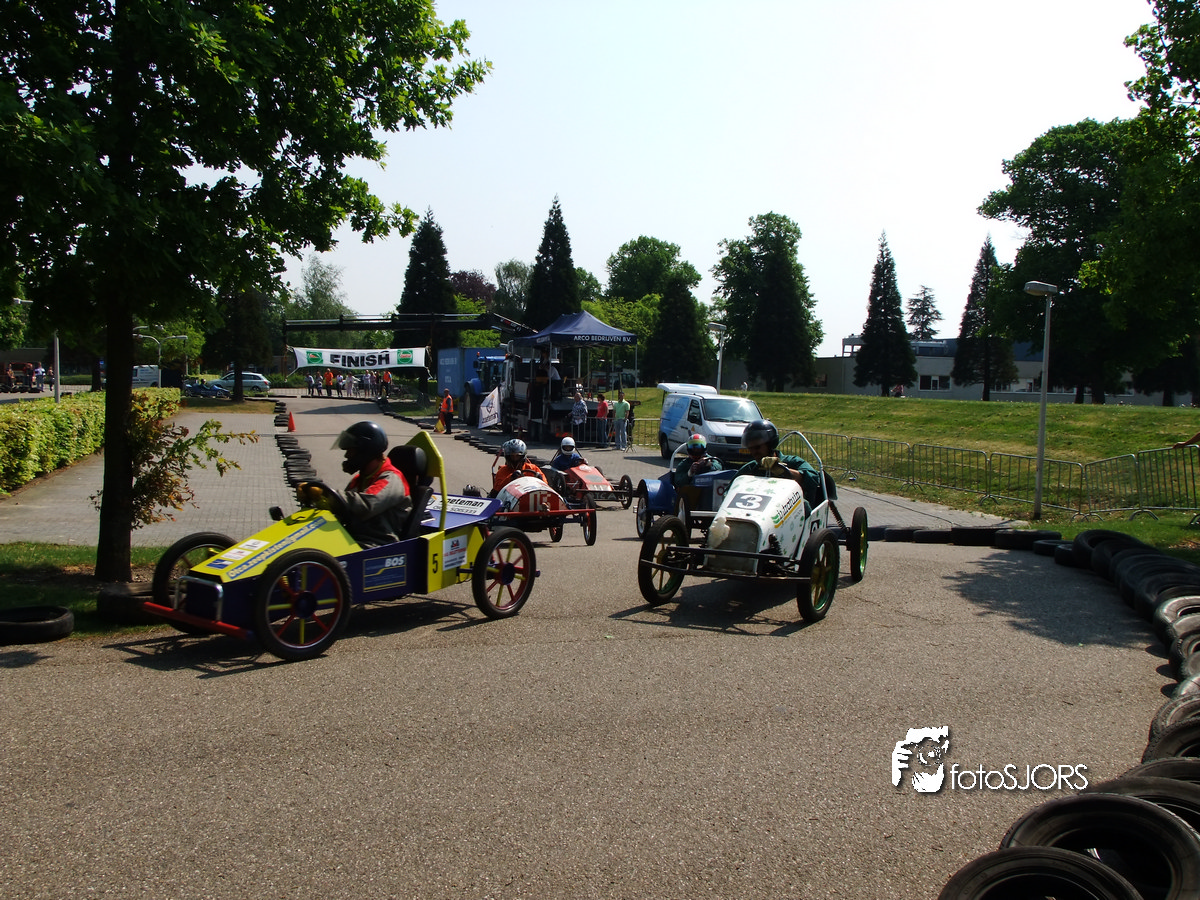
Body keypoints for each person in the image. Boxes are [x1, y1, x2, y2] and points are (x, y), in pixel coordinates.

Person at [297, 421, 411, 548]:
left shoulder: (391, 479)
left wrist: (324, 494)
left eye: (350, 451)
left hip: (377, 544)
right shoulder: (359, 479)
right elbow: (343, 507)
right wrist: (317, 499)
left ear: (365, 450)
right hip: (354, 536)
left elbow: (366, 505)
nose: (346, 455)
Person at [735, 418, 822, 505]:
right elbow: (732, 487)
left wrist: (781, 469)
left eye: (757, 447)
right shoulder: (750, 468)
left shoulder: (793, 462)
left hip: (788, 507)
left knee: (804, 504)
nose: (754, 452)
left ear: (770, 444)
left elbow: (813, 478)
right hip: (757, 508)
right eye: (750, 448)